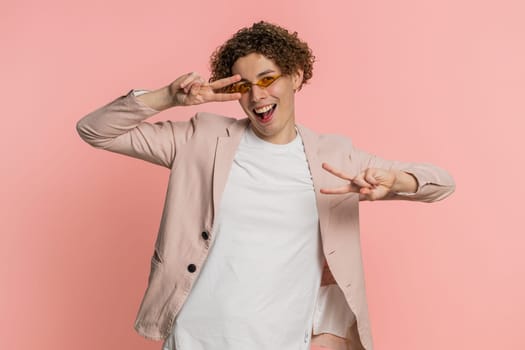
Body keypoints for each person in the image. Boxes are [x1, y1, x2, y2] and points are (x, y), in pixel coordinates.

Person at [76, 21, 455, 350]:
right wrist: (167, 98)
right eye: (245, 86)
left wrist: (394, 182)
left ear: (297, 77)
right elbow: (94, 131)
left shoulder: (334, 156)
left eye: (269, 79)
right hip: (194, 338)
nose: (257, 96)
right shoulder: (201, 139)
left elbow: (442, 184)